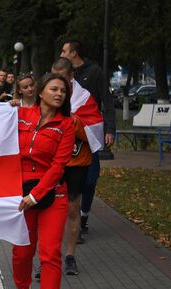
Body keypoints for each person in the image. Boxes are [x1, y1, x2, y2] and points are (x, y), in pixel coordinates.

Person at [12, 73, 74, 289]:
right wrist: (3, 111)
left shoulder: (68, 124)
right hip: (18, 194)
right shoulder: (20, 116)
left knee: (50, 254)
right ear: (40, 92)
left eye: (63, 91)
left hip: (53, 196)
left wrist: (36, 195)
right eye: (54, 89)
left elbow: (59, 166)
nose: (59, 94)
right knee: (23, 251)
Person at [60, 39, 116, 238]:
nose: (61, 53)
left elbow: (106, 101)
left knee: (90, 180)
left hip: (89, 133)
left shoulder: (95, 72)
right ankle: (71, 220)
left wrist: (110, 129)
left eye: (64, 50)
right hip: (66, 138)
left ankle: (83, 216)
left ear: (73, 53)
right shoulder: (58, 75)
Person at [52, 57, 93, 275]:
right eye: (53, 77)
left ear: (71, 76)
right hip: (52, 163)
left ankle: (70, 257)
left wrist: (73, 122)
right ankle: (49, 257)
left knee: (72, 208)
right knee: (49, 209)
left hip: (77, 162)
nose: (57, 84)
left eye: (61, 78)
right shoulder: (48, 96)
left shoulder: (84, 99)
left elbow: (94, 132)